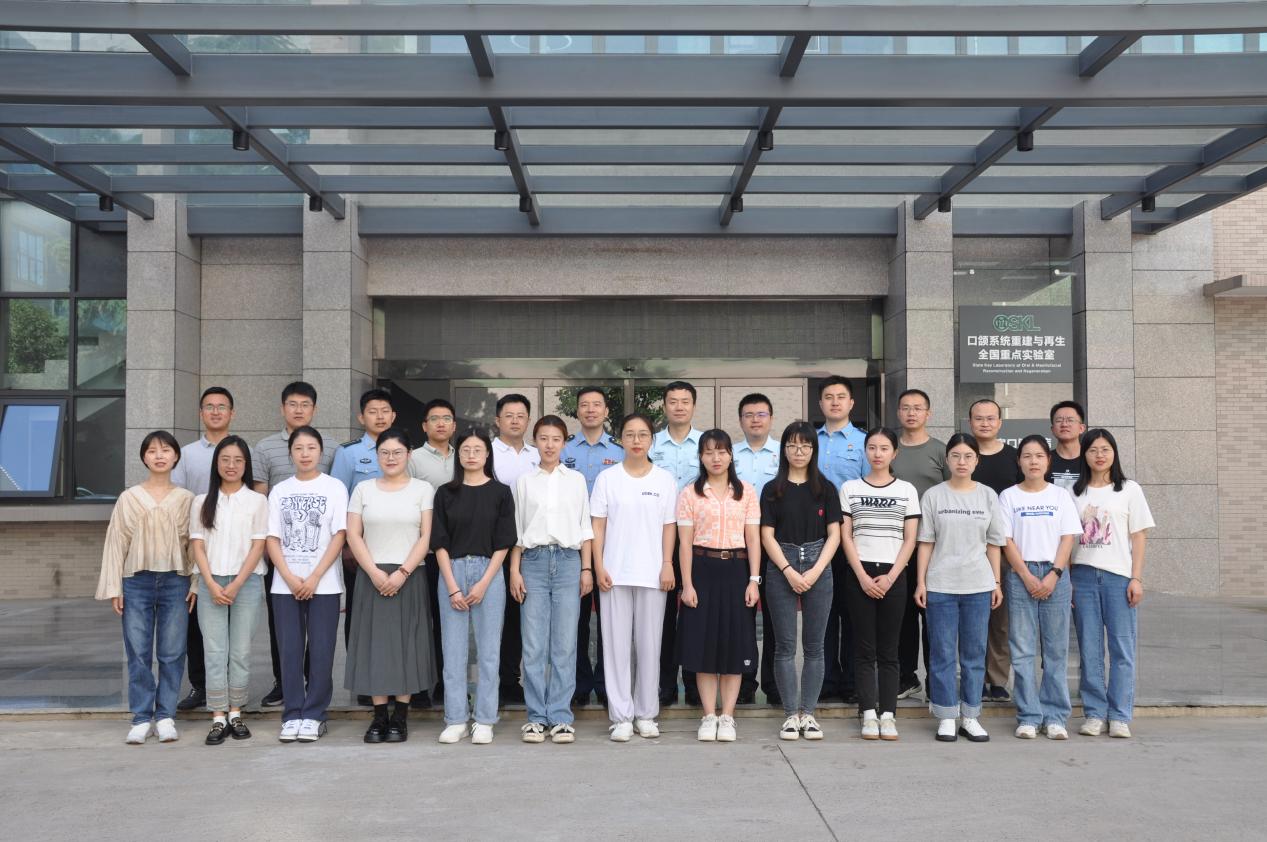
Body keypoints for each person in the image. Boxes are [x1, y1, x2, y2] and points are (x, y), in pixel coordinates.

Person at [96, 431, 196, 745]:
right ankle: (141, 717)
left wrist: (195, 582)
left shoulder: (186, 499)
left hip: (175, 581)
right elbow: (116, 542)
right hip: (136, 582)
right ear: (144, 457)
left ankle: (165, 716)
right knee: (138, 653)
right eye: (152, 451)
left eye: (165, 450)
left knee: (172, 652)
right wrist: (115, 586)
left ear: (176, 456)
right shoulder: (129, 497)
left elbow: (195, 546)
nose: (159, 455)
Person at [344, 428, 436, 744]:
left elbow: (426, 535)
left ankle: (400, 716)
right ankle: (379, 715)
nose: (391, 458)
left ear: (408, 455)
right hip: (372, 576)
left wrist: (403, 572)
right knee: (376, 645)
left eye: (397, 452)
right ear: (377, 456)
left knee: (407, 643)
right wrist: (373, 572)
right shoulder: (363, 489)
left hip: (410, 575)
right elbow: (353, 534)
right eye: (384, 453)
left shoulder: (423, 489)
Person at [591, 412, 678, 742]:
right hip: (614, 573)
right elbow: (598, 527)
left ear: (651, 440)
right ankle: (621, 717)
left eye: (643, 434)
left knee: (649, 646)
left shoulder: (664, 480)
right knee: (615, 648)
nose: (637, 440)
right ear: (621, 439)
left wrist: (667, 563)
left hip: (652, 573)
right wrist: (599, 566)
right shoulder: (607, 479)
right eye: (630, 434)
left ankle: (646, 713)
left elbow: (669, 527)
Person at [915, 434, 1007, 743]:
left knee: (974, 654)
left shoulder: (988, 496)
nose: (962, 462)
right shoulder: (934, 496)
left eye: (968, 456)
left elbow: (994, 544)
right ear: (947, 460)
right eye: (956, 456)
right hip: (941, 584)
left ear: (977, 461)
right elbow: (926, 542)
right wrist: (921, 582)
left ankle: (970, 716)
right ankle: (946, 715)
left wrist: (996, 582)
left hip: (978, 585)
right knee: (941, 653)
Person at [509, 416, 594, 744]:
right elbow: (517, 530)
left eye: (556, 439)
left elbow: (585, 528)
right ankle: (535, 717)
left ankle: (560, 716)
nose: (549, 445)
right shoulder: (524, 481)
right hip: (533, 562)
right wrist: (515, 570)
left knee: (565, 644)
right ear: (536, 441)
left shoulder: (576, 480)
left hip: (569, 562)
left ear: (564, 442)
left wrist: (586, 569)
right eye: (543, 438)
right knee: (533, 645)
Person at [252, 381, 335, 708]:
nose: (298, 410)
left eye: (305, 404)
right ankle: (283, 682)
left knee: (319, 628)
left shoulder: (330, 447)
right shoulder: (265, 447)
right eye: (292, 404)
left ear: (314, 409)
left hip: (320, 554)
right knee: (283, 625)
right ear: (282, 407)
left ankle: (314, 685)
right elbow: (260, 497)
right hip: (279, 550)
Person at [432, 428, 517, 745]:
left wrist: (484, 583)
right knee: (453, 651)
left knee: (489, 652)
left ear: (487, 455)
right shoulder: (445, 493)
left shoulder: (501, 492)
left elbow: (504, 542)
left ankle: (484, 719)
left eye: (477, 450)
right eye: (466, 449)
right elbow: (439, 541)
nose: (471, 455)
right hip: (451, 571)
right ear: (459, 455)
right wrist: (452, 586)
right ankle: (455, 718)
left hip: (489, 572)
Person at [676, 430, 761, 743]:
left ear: (730, 455)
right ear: (700, 456)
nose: (716, 458)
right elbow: (685, 544)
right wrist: (687, 584)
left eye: (722, 451)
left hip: (737, 570)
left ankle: (728, 716)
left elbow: (753, 539)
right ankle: (709, 715)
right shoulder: (690, 493)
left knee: (733, 644)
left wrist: (754, 580)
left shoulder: (746, 492)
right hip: (702, 569)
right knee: (704, 644)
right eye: (709, 452)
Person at [1071, 428, 1154, 739]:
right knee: (1090, 649)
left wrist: (1136, 577)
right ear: (1084, 455)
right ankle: (1095, 713)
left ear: (1114, 453)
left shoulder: (1129, 490)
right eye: (1093, 450)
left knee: (1122, 648)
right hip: (1082, 576)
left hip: (1118, 577)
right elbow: (1066, 539)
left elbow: (1139, 536)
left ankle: (1119, 715)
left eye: (1105, 449)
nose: (1099, 455)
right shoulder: (1073, 492)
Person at [265, 426, 347, 744]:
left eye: (311, 448)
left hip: (324, 584)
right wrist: (288, 575)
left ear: (320, 452)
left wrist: (313, 577)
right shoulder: (279, 490)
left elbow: (339, 535)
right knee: (289, 651)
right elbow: (272, 537)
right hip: (285, 585)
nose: (305, 454)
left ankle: (314, 714)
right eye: (298, 448)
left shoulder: (335, 487)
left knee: (322, 650)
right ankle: (292, 714)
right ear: (290, 453)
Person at [760, 421, 841, 741]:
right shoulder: (772, 489)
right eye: (792, 445)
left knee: (815, 647)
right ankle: (790, 715)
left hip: (819, 564)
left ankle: (808, 714)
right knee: (784, 647)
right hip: (782, 564)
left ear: (813, 450)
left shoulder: (826, 489)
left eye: (805, 445)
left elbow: (835, 535)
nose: (799, 451)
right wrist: (788, 570)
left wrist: (816, 570)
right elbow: (766, 535)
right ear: (784, 450)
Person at [999, 435, 1082, 741]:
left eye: (1039, 456)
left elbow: (1067, 538)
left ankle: (1055, 716)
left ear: (1048, 461)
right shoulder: (1009, 497)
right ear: (1019, 461)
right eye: (1027, 456)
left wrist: (1054, 575)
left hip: (1055, 575)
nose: (1033, 461)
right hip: (1021, 575)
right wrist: (1026, 575)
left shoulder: (1060, 496)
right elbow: (1006, 540)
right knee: (1022, 650)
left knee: (1056, 650)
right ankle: (1029, 716)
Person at [840, 428, 920, 741]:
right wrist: (861, 575)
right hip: (859, 574)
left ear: (894, 453)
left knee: (889, 651)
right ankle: (868, 714)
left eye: (884, 448)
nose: (877, 453)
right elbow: (847, 536)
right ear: (865, 451)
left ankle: (888, 714)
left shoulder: (907, 490)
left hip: (893, 575)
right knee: (864, 650)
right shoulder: (850, 488)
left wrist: (891, 576)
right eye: (872, 447)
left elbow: (910, 539)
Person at [189, 435, 267, 745]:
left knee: (241, 651)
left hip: (246, 583)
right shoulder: (201, 501)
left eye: (237, 460)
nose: (231, 465)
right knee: (214, 650)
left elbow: (258, 545)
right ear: (216, 463)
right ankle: (218, 716)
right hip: (210, 582)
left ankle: (236, 712)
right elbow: (197, 544)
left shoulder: (257, 501)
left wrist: (235, 584)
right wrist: (209, 583)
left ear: (246, 465)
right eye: (225, 459)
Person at [331, 388, 398, 706]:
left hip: (397, 550)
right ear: (361, 417)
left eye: (385, 411)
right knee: (360, 617)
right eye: (373, 411)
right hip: (360, 552)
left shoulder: (403, 449)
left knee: (394, 618)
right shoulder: (349, 454)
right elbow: (338, 500)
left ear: (393, 416)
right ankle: (364, 681)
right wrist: (346, 547)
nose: (380, 416)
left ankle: (395, 679)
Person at [171, 386, 236, 713]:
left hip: (234, 549)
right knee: (196, 622)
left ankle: (231, 686)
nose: (215, 412)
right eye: (209, 407)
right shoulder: (186, 455)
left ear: (231, 414)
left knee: (233, 623)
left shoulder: (241, 451)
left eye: (221, 407)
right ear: (201, 413)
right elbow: (178, 501)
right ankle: (200, 685)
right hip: (197, 547)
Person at [562, 386, 622, 708]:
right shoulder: (564, 449)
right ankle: (580, 683)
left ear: (606, 411)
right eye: (584, 405)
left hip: (612, 545)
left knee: (610, 620)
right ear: (577, 410)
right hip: (573, 545)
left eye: (597, 405)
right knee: (578, 620)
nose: (590, 410)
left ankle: (606, 683)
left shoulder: (620, 451)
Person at [890, 388, 949, 700]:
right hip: (897, 546)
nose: (911, 413)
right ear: (898, 412)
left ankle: (936, 681)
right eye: (905, 407)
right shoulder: (890, 448)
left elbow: (953, 491)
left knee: (933, 615)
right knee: (902, 616)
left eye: (917, 408)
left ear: (928, 413)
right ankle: (906, 677)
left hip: (933, 546)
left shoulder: (940, 450)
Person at [649, 381, 703, 707]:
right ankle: (665, 685)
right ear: (665, 406)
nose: (679, 406)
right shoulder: (652, 444)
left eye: (685, 401)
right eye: (673, 401)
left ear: (693, 406)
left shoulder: (706, 444)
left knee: (696, 616)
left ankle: (695, 685)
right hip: (661, 542)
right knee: (664, 617)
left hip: (700, 543)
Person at [816, 375, 868, 705]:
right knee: (822, 613)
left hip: (852, 538)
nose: (835, 402)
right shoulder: (809, 441)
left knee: (851, 612)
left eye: (841, 397)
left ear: (851, 403)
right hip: (817, 538)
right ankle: (825, 681)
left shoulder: (864, 443)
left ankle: (851, 681)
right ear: (820, 403)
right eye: (828, 397)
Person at [968, 398, 1022, 702]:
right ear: (970, 422)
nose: (985, 423)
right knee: (972, 620)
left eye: (990, 418)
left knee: (1000, 620)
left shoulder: (1014, 458)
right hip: (967, 546)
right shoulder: (964, 454)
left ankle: (998, 679)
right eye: (979, 418)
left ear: (1000, 423)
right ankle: (974, 677)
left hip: (1003, 548)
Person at [408, 397, 458, 708]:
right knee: (419, 621)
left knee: (446, 622)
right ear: (424, 426)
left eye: (447, 418)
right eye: (434, 419)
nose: (441, 423)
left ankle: (442, 684)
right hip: (422, 553)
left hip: (454, 552)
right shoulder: (413, 458)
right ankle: (417, 686)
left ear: (454, 425)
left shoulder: (463, 456)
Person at [732, 393, 780, 707]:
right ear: (740, 420)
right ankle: (745, 683)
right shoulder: (730, 455)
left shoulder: (783, 454)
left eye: (761, 414)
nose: (755, 420)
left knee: (776, 617)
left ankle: (774, 684)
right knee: (743, 617)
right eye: (748, 415)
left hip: (775, 542)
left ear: (771, 418)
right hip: (739, 543)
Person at [491, 393, 539, 705]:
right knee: (495, 615)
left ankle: (511, 679)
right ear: (498, 420)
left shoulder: (537, 454)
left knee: (519, 615)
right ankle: (493, 681)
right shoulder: (488, 453)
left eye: (521, 416)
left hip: (530, 543)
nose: (515, 421)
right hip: (496, 543)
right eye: (509, 415)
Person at [1048, 401, 1087, 491]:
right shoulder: (1044, 460)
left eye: (1070, 420)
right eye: (1059, 420)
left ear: (1081, 428)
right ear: (1052, 429)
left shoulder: (1090, 459)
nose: (1064, 424)